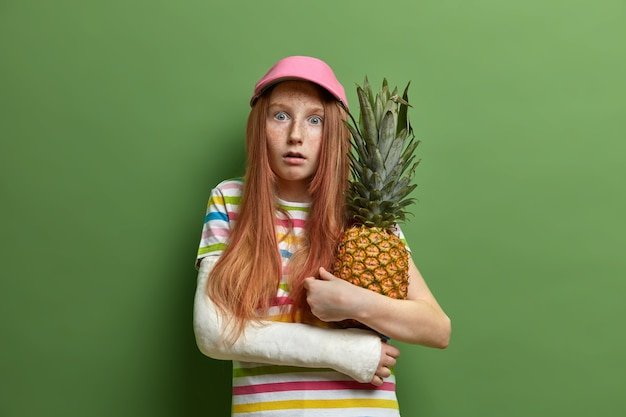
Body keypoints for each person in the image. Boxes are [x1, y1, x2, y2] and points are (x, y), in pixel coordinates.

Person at [193, 55, 451, 416]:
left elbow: (437, 329)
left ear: (332, 133)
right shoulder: (230, 200)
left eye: (314, 120)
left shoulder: (366, 215)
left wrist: (353, 303)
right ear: (259, 126)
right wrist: (345, 351)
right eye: (280, 116)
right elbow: (212, 332)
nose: (296, 135)